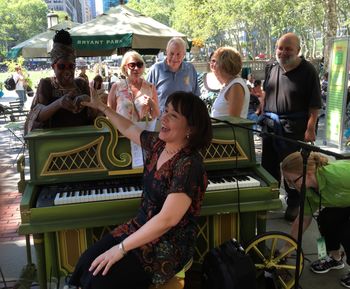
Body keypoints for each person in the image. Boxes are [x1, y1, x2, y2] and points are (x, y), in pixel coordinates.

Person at [68, 90, 213, 289]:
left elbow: (167, 220)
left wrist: (120, 249)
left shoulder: (189, 165)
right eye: (165, 111)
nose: (164, 117)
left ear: (191, 128)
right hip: (139, 227)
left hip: (166, 246)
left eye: (173, 115)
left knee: (100, 280)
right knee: (86, 263)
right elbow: (129, 128)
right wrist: (103, 108)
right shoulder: (159, 144)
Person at [260, 32, 322, 221]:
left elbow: (315, 106)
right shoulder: (271, 67)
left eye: (288, 49)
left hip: (295, 128)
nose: (283, 52)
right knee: (268, 165)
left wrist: (310, 129)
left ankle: (294, 202)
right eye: (280, 48)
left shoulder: (308, 71)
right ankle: (270, 199)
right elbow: (266, 93)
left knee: (293, 168)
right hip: (270, 126)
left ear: (298, 50)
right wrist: (260, 110)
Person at [281, 151, 350, 288]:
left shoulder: (339, 174)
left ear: (308, 173)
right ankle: (333, 257)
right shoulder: (308, 191)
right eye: (287, 181)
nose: (290, 185)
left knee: (347, 232)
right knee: (323, 220)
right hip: (343, 202)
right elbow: (303, 219)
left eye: (292, 181)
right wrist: (288, 247)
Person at [24, 30, 99, 133]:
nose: (67, 71)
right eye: (61, 66)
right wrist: (59, 103)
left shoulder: (81, 84)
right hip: (54, 142)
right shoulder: (47, 84)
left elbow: (94, 115)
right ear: (53, 67)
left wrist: (87, 100)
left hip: (83, 140)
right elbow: (38, 116)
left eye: (71, 66)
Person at [147, 37, 200, 112]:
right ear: (166, 52)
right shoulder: (156, 69)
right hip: (162, 120)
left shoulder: (190, 69)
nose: (174, 57)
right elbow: (147, 96)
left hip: (185, 119)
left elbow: (196, 96)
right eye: (171, 53)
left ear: (184, 54)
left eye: (178, 54)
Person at [108, 50, 160, 122]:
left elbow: (156, 115)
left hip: (142, 131)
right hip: (122, 132)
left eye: (139, 65)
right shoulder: (116, 87)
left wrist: (152, 104)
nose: (136, 68)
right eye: (132, 65)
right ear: (125, 67)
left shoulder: (150, 87)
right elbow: (110, 113)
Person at [210, 47, 250, 118]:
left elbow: (233, 120)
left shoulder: (236, 86)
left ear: (224, 65)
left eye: (214, 61)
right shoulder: (229, 84)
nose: (212, 65)